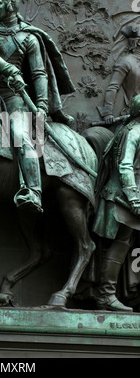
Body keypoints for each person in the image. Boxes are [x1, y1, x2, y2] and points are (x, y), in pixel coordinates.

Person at [0, 0, 75, 212]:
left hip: (14, 97)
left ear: (10, 6)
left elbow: (39, 73)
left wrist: (41, 106)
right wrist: (13, 71)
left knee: (21, 135)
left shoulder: (29, 38)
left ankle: (33, 191)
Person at [93, 94, 140, 311]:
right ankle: (106, 296)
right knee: (119, 245)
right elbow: (126, 166)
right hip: (123, 200)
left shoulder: (125, 129)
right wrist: (134, 198)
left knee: (118, 245)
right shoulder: (136, 132)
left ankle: (107, 294)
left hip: (114, 195)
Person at [98, 25, 140, 125]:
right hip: (135, 116)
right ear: (138, 42)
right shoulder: (126, 62)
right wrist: (107, 112)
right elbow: (113, 86)